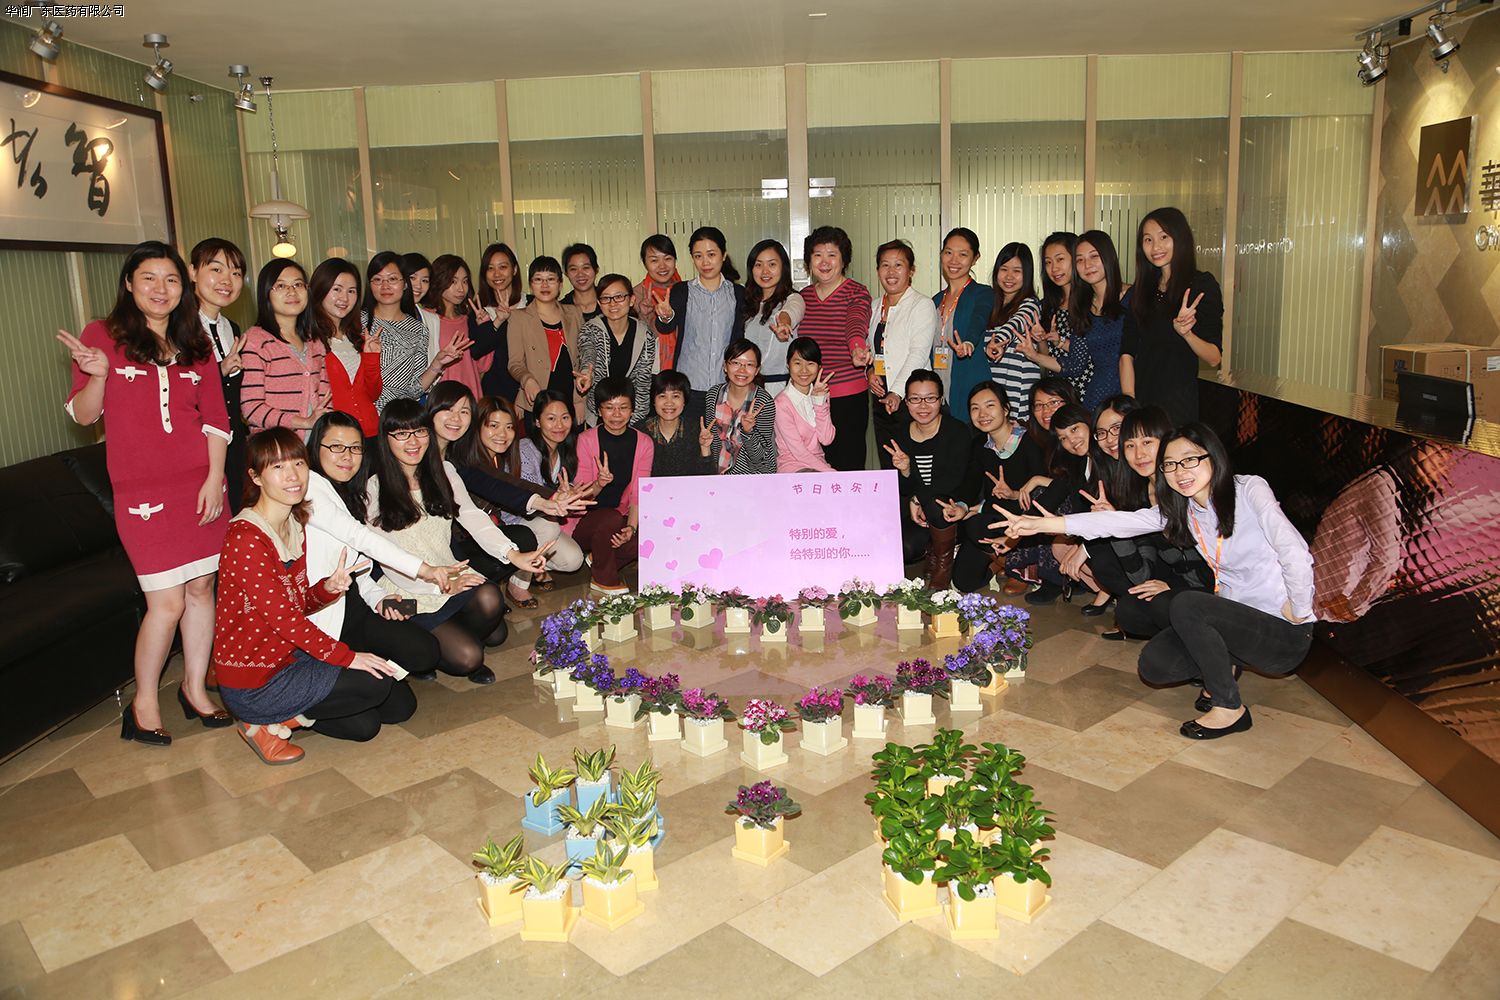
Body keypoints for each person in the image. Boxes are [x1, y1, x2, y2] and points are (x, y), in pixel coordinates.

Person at [997, 423, 1314, 739]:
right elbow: (1120, 523)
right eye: (1171, 465)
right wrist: (1040, 524)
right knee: (1156, 665)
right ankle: (1226, 664)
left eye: (1190, 459)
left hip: (1283, 631)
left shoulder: (1248, 489)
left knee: (1187, 604)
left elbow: (1293, 550)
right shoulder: (1185, 508)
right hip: (1236, 621)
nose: (1180, 471)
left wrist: (1300, 609)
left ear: (1213, 456)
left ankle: (1229, 707)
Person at [58, 241, 233, 745]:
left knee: (201, 589)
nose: (161, 289)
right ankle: (144, 704)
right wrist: (99, 376)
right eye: (149, 278)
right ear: (129, 283)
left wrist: (214, 480)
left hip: (202, 484)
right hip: (143, 495)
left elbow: (216, 419)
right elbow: (85, 415)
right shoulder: (102, 335)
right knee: (167, 603)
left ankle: (195, 690)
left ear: (184, 287)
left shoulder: (195, 340)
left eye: (171, 279)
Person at [213, 428, 414, 765]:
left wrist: (326, 589)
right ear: (256, 477)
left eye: (298, 464)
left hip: (290, 658)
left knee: (387, 714)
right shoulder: (246, 537)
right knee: (374, 686)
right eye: (278, 467)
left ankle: (283, 720)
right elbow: (284, 619)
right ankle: (259, 722)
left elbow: (294, 604)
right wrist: (347, 657)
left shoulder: (292, 523)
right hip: (256, 680)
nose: (293, 476)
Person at [367, 399, 550, 684]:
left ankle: (446, 633)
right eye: (401, 433)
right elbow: (386, 557)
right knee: (469, 657)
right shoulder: (374, 488)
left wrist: (514, 555)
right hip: (406, 589)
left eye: (419, 431)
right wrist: (438, 584)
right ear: (386, 438)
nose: (413, 441)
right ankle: (427, 644)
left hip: (451, 572)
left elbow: (473, 517)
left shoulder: (444, 471)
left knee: (492, 608)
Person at [305, 412, 454, 683]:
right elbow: (360, 539)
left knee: (428, 651)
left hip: (363, 602)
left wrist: (377, 599)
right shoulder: (311, 487)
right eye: (337, 447)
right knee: (390, 694)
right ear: (317, 447)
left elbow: (356, 564)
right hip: (329, 609)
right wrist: (425, 570)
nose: (347, 456)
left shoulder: (350, 491)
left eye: (355, 448)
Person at [1081, 405, 1212, 642]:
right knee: (1129, 611)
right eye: (1130, 445)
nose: (1139, 454)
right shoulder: (1137, 495)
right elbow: (1141, 575)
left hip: (1218, 586)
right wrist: (1116, 524)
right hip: (1182, 583)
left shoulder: (1185, 484)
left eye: (1147, 442)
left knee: (1164, 604)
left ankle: (1204, 638)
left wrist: (1173, 588)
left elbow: (1215, 563)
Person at [461, 395, 588, 603]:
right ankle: (517, 583)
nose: (502, 434)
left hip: (521, 521)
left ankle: (529, 566)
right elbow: (511, 487)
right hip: (486, 532)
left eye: (509, 427)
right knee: (545, 529)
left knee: (573, 559)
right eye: (494, 426)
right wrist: (551, 498)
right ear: (537, 421)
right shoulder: (475, 461)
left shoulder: (509, 454)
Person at [1120, 207, 1223, 425]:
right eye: (1148, 240)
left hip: (1178, 405)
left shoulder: (1202, 285)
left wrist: (1187, 334)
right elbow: (1126, 352)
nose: (1155, 247)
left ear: (1180, 238)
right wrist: (1130, 405)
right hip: (1142, 402)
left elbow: (1214, 357)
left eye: (1163, 237)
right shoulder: (1140, 291)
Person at [952, 381, 1048, 592]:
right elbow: (971, 481)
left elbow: (1042, 496)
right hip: (995, 518)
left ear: (1005, 409)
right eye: (975, 408)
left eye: (990, 405)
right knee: (964, 581)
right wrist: (962, 505)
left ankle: (1021, 567)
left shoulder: (1030, 441)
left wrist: (1014, 494)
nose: (982, 414)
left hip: (1026, 521)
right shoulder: (980, 444)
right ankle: (1001, 562)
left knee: (976, 524)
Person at [883, 369, 971, 588]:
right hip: (920, 513)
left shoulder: (957, 431)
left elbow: (951, 482)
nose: (923, 406)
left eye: (930, 398)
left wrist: (917, 499)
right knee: (904, 548)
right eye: (915, 399)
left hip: (952, 510)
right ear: (906, 402)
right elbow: (901, 488)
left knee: (935, 503)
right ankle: (934, 547)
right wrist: (905, 470)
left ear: (941, 400)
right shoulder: (899, 435)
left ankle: (944, 563)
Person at [569, 377, 654, 595]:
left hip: (620, 517)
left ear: (632, 410)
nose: (616, 414)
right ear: (599, 410)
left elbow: (638, 492)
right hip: (585, 521)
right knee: (611, 518)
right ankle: (604, 579)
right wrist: (599, 484)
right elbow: (580, 495)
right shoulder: (586, 440)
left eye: (623, 407)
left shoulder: (644, 443)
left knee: (644, 540)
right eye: (609, 407)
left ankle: (599, 557)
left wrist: (631, 529)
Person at [798, 226, 872, 471]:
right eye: (817, 255)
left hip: (847, 395)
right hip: (810, 396)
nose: (824, 262)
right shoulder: (803, 297)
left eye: (832, 254)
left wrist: (857, 347)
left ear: (844, 260)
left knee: (848, 464)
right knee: (814, 464)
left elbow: (856, 322)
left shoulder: (856, 292)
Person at [654, 226, 746, 422]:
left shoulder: (738, 294)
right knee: (690, 438)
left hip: (726, 387)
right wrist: (666, 316)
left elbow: (741, 337)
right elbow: (665, 327)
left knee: (722, 439)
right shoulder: (682, 291)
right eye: (698, 256)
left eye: (711, 254)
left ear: (723, 255)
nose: (705, 262)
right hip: (688, 387)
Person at [189, 238, 250, 512]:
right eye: (216, 269)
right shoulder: (180, 330)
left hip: (234, 446)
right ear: (192, 272)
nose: (227, 280)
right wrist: (219, 371)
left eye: (235, 273)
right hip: (197, 447)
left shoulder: (232, 328)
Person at [868, 240, 939, 470]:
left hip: (913, 400)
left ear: (911, 270)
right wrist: (869, 372)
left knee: (914, 466)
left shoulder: (922, 305)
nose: (891, 272)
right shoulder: (874, 307)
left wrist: (897, 392)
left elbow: (918, 353)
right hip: (881, 399)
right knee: (888, 464)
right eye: (885, 265)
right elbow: (872, 350)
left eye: (898, 265)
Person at [240, 259, 331, 437]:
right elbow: (251, 407)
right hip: (276, 446)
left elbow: (326, 399)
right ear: (266, 293)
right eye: (281, 286)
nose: (292, 291)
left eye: (298, 284)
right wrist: (303, 422)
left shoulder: (315, 342)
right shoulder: (255, 341)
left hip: (313, 444)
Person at [364, 251, 462, 411]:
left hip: (399, 418)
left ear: (405, 284)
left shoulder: (418, 329)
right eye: (377, 279)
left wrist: (437, 363)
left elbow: (414, 390)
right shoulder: (356, 323)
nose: (385, 286)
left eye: (392, 279)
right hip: (360, 416)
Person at [508, 255, 590, 423]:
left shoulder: (574, 313)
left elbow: (584, 356)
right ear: (531, 285)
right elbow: (515, 363)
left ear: (560, 284)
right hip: (537, 398)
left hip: (571, 397)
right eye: (538, 279)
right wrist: (527, 380)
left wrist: (580, 399)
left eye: (551, 279)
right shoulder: (518, 318)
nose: (544, 285)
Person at [309, 258, 382, 438]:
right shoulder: (309, 341)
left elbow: (373, 394)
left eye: (351, 291)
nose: (344, 298)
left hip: (371, 433)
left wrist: (371, 357)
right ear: (320, 289)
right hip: (334, 438)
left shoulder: (359, 339)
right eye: (337, 289)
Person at [933, 228, 995, 423]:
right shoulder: (936, 300)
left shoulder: (983, 293)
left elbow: (979, 318)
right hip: (938, 395)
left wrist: (969, 342)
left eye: (963, 254)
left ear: (975, 258)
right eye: (948, 252)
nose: (954, 260)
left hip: (969, 391)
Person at [580, 273, 657, 425]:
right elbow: (588, 355)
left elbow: (643, 383)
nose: (612, 303)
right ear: (599, 303)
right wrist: (585, 373)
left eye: (619, 297)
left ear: (631, 300)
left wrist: (633, 423)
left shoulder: (645, 334)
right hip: (598, 414)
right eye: (606, 298)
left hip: (632, 418)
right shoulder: (589, 330)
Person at [983, 243, 1045, 425]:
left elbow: (1015, 324)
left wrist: (998, 342)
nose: (1009, 276)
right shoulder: (989, 305)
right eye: (1004, 269)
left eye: (1017, 271)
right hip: (994, 393)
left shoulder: (1031, 304)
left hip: (1018, 392)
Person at [1030, 231, 1094, 401]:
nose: (1054, 268)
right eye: (1048, 262)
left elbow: (1089, 354)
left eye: (1060, 259)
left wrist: (1061, 342)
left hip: (1087, 392)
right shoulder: (1047, 306)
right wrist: (1041, 339)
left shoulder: (1092, 302)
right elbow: (1047, 359)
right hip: (1056, 396)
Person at [421, 254, 492, 399]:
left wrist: (485, 329)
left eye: (465, 281)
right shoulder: (426, 318)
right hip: (441, 398)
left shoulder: (469, 319)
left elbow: (483, 366)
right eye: (453, 281)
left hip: (470, 395)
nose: (461, 288)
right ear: (439, 280)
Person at [740, 239, 803, 398]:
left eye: (772, 264)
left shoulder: (793, 298)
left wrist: (784, 323)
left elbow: (790, 312)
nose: (765, 271)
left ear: (783, 267)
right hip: (747, 387)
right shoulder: (746, 303)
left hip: (781, 389)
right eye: (758, 265)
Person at [704, 338, 777, 475]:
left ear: (757, 370)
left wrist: (748, 432)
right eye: (736, 363)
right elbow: (712, 445)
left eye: (749, 365)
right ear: (725, 366)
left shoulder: (763, 402)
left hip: (752, 476)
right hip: (717, 475)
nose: (742, 370)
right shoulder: (714, 395)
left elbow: (761, 459)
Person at [1072, 230, 1126, 410]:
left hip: (1132, 393)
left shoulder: (1133, 297)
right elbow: (1076, 363)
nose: (1087, 265)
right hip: (1097, 398)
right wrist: (1034, 354)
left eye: (1094, 256)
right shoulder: (1082, 307)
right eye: (1080, 260)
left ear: (1108, 257)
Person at [469, 242, 523, 402]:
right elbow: (476, 351)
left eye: (503, 267)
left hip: (530, 391)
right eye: (490, 268)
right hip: (495, 397)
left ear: (514, 270)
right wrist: (497, 322)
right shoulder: (479, 310)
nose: (497, 274)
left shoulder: (531, 304)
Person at [774, 337, 835, 473]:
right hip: (792, 466)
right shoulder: (781, 403)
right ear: (788, 364)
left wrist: (819, 402)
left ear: (819, 367)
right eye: (797, 363)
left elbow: (826, 439)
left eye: (810, 363)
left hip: (818, 465)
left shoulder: (821, 393)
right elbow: (799, 452)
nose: (804, 370)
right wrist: (830, 473)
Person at [643, 370, 713, 477]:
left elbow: (708, 478)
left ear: (684, 401)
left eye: (675, 396)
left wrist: (705, 449)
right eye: (662, 396)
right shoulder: (640, 431)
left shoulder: (696, 430)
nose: (669, 403)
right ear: (653, 400)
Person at [633, 234, 682, 368]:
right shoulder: (636, 295)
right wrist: (645, 315)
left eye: (668, 258)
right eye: (654, 260)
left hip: (683, 364)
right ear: (645, 263)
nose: (662, 266)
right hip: (649, 369)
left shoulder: (686, 291)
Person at [561, 243, 602, 324]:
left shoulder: (609, 303)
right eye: (573, 269)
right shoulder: (562, 308)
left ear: (596, 270)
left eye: (586, 268)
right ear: (566, 273)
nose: (580, 274)